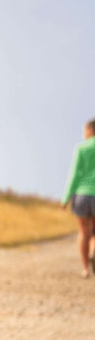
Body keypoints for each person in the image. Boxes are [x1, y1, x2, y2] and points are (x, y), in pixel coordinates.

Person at [62, 118, 95, 278]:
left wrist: (66, 197)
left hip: (82, 194)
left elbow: (74, 174)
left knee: (83, 232)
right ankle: (93, 250)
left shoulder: (81, 148)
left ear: (90, 130)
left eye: (84, 130)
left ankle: (86, 269)